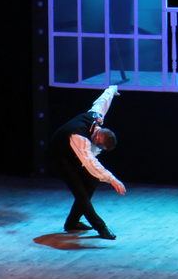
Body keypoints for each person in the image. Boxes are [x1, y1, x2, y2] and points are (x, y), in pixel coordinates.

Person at [49, 86, 126, 240]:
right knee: (81, 193)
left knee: (92, 181)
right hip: (58, 158)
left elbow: (102, 102)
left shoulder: (96, 117)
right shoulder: (79, 137)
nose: (98, 149)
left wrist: (112, 89)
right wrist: (112, 179)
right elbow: (90, 162)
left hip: (71, 154)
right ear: (97, 139)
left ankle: (72, 222)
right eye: (99, 147)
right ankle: (101, 228)